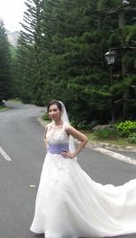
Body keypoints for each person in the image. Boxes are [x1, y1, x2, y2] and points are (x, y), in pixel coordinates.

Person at [30, 99, 136, 238]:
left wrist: (73, 154)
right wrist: (48, 147)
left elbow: (84, 139)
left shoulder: (66, 127)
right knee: (48, 192)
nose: (52, 113)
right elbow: (45, 138)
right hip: (50, 163)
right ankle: (52, 225)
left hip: (64, 164)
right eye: (50, 110)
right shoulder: (48, 127)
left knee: (62, 193)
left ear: (61, 112)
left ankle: (64, 226)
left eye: (55, 110)